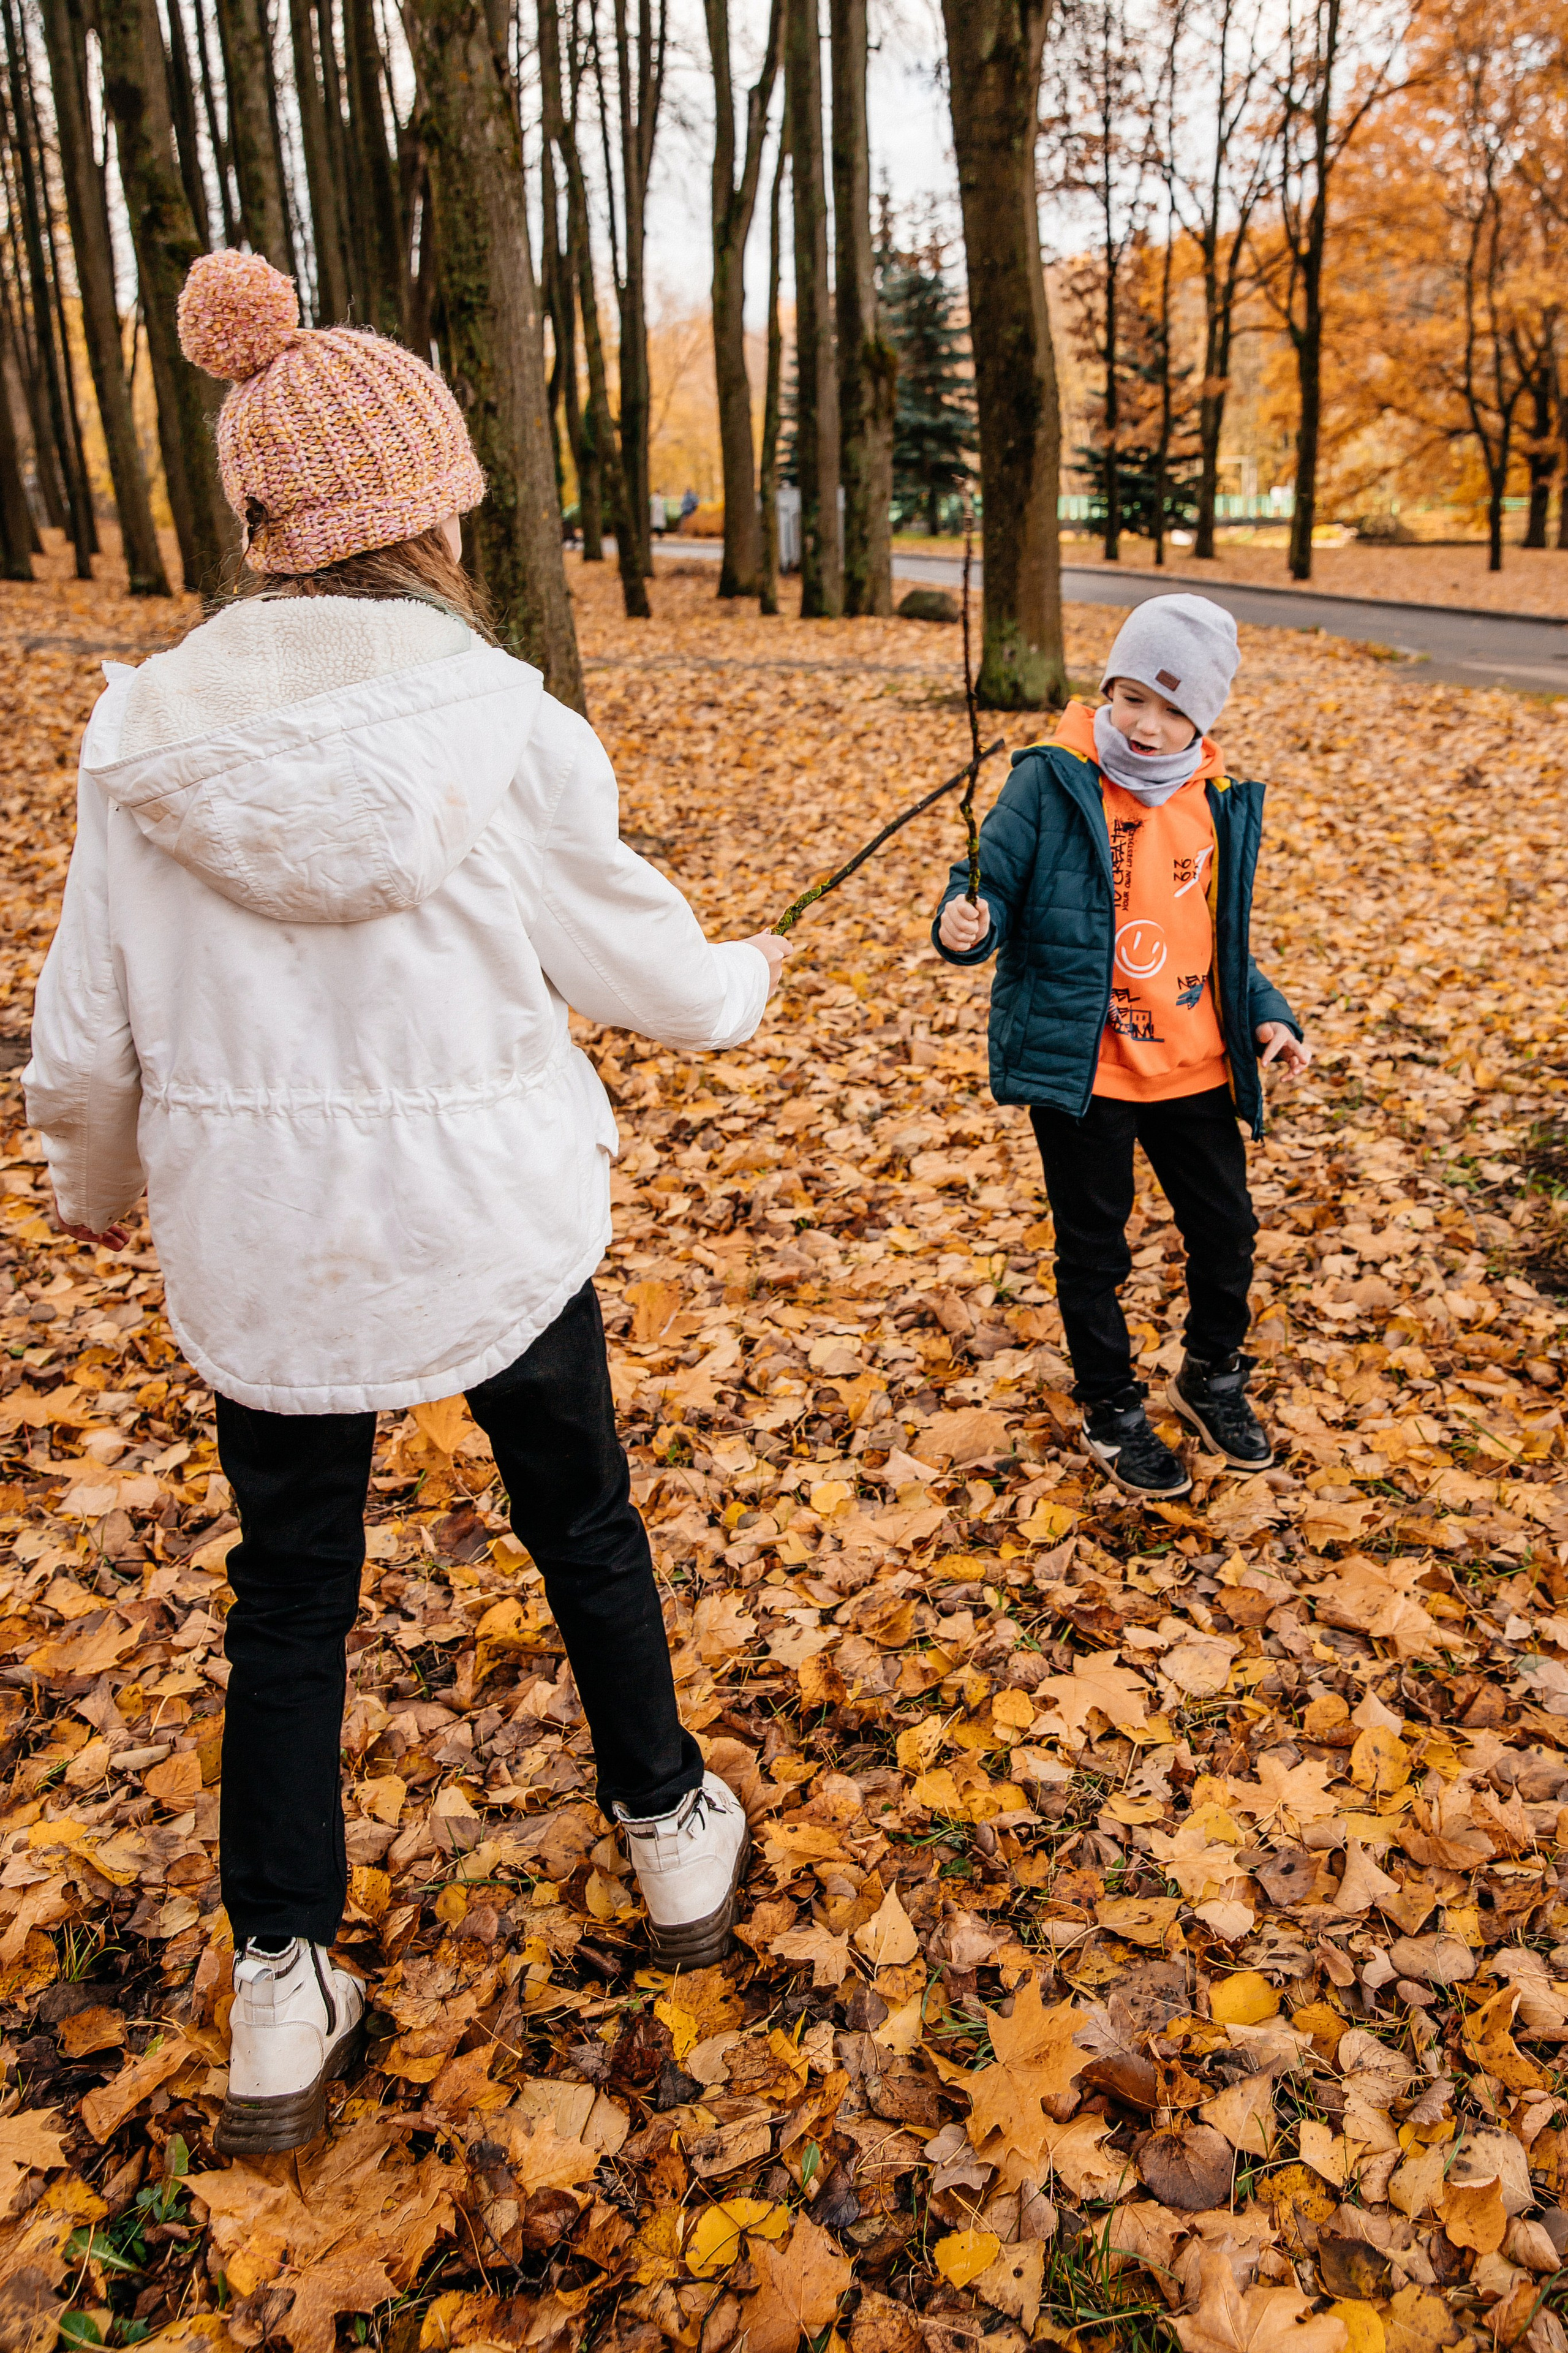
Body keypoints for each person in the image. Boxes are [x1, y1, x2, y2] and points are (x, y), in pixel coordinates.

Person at [24, 250, 787, 2158]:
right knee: (582, 1521)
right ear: (431, 510)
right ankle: (669, 1825)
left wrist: (90, 1182)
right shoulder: (505, 717)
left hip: (266, 1246)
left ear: (267, 531)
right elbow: (644, 963)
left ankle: (282, 1981)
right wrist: (743, 984)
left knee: (289, 1590)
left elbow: (84, 1034)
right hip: (493, 1219)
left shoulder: (144, 738)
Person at [933, 593, 1309, 1501]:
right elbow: (985, 887)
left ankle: (1210, 1375)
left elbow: (1220, 941)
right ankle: (1111, 1406)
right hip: (1088, 1069)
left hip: (1195, 1066)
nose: (1146, 725)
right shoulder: (1049, 780)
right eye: (1133, 697)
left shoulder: (1216, 800)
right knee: (1094, 1250)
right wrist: (966, 923)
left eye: (1173, 710)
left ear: (1203, 719)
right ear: (1108, 688)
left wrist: (1269, 1012)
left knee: (1227, 1231)